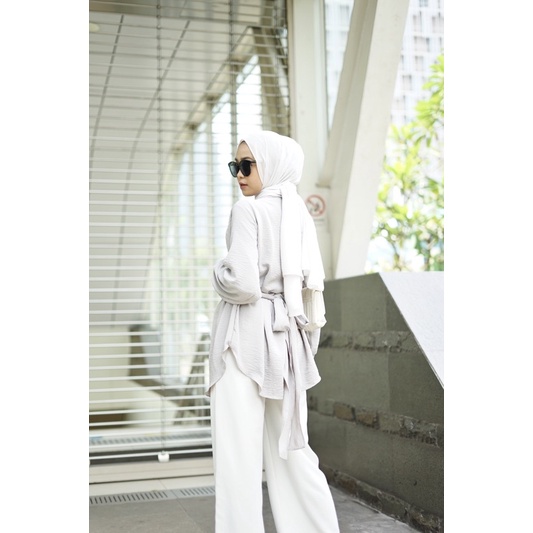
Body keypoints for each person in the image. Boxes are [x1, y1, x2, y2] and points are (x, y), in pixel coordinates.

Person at [207, 130, 340, 533]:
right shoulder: (297, 213)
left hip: (244, 339)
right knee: (293, 452)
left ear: (271, 165)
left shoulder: (247, 212)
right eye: (235, 166)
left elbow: (244, 284)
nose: (239, 174)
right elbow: (309, 288)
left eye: (247, 165)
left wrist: (218, 272)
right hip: (285, 342)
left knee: (237, 456)